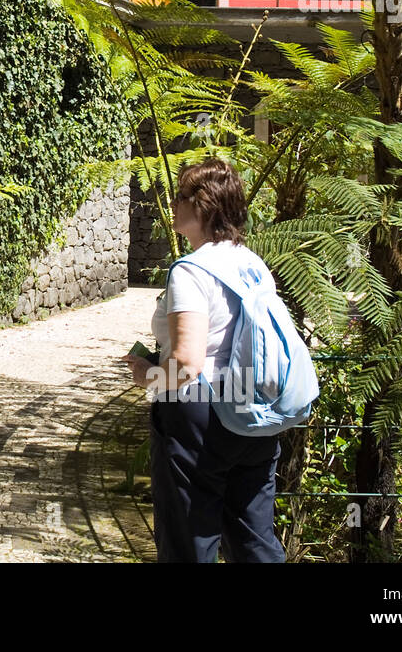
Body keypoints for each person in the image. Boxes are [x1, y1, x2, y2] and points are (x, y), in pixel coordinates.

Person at [122, 157, 287, 563]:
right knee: (254, 539)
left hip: (198, 414)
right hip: (253, 408)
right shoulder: (253, 264)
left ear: (205, 205)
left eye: (181, 196)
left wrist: (148, 377)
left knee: (189, 542)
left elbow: (187, 363)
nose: (173, 203)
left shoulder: (190, 270)